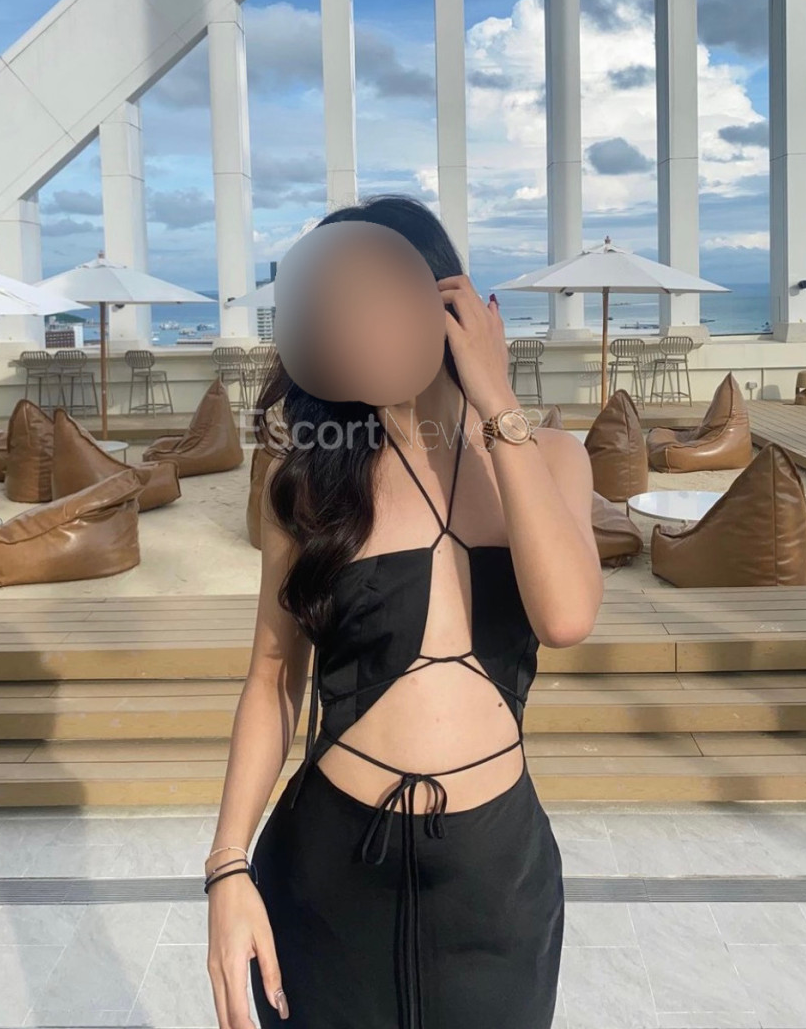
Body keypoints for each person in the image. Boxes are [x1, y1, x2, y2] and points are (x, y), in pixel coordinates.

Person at [205, 194, 603, 1029]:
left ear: (449, 303)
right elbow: (273, 678)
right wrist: (227, 867)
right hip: (325, 875)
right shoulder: (308, 478)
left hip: (494, 882)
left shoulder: (550, 457)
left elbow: (566, 618)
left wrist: (496, 400)